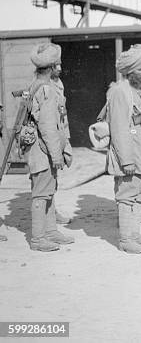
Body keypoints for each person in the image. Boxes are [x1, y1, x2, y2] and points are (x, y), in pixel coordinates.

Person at [107, 44, 141, 254]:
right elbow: (119, 129)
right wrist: (126, 160)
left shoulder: (140, 91)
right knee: (126, 196)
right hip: (129, 156)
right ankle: (126, 239)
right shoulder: (120, 92)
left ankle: (135, 234)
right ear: (130, 71)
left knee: (139, 195)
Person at [25, 43, 74, 251]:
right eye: (58, 64)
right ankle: (37, 239)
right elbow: (47, 127)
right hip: (42, 149)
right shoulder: (45, 89)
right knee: (41, 193)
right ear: (52, 66)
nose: (61, 67)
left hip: (46, 147)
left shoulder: (46, 84)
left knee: (49, 190)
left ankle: (50, 230)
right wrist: (56, 155)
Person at [49, 62, 73, 225]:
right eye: (55, 65)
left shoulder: (59, 83)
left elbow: (63, 113)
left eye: (60, 64)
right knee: (47, 177)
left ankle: (52, 212)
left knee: (54, 176)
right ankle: (48, 216)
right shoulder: (45, 85)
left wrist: (67, 138)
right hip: (50, 135)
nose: (59, 68)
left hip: (61, 132)